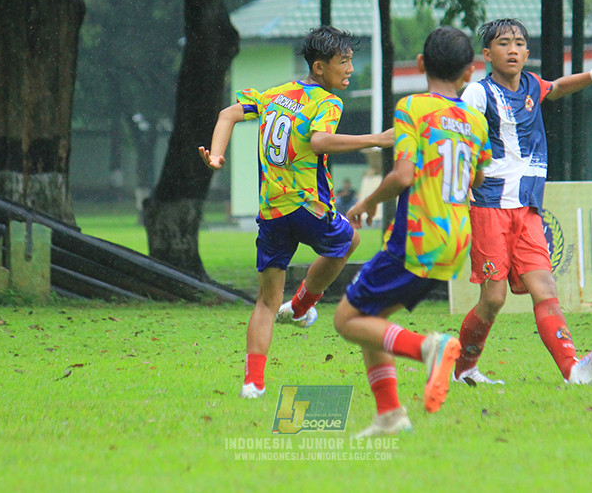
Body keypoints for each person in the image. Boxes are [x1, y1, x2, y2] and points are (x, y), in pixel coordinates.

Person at [198, 25, 393, 399]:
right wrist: (377, 138)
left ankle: (253, 383)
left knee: (266, 301)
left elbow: (227, 114)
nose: (350, 69)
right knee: (349, 239)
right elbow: (319, 140)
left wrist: (217, 154)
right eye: (344, 62)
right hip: (307, 206)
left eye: (351, 60)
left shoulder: (276, 93)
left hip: (271, 211)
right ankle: (303, 305)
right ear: (320, 68)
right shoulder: (327, 101)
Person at [453, 18, 592, 387]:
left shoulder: (530, 85)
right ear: (487, 55)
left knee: (546, 289)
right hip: (489, 205)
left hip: (528, 209)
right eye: (504, 43)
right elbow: (461, 139)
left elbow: (556, 87)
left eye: (519, 43)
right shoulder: (477, 94)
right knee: (493, 300)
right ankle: (463, 370)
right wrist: (461, 189)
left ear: (526, 52)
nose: (513, 49)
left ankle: (573, 370)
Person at [333, 26, 491, 437]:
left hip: (417, 238)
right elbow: (476, 179)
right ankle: (390, 414)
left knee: (347, 319)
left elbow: (403, 175)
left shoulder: (412, 108)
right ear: (469, 73)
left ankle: (429, 348)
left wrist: (367, 203)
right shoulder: (475, 120)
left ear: (421, 65)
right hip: (456, 241)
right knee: (374, 317)